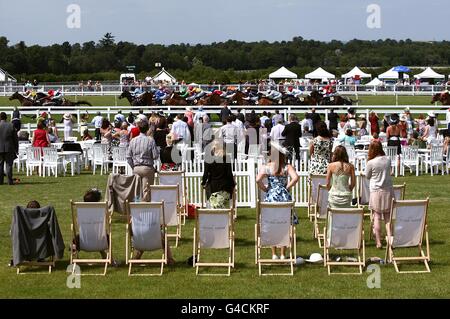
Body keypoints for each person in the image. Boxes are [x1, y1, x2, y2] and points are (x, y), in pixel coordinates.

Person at [256, 142, 299, 260]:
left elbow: (258, 179)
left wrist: (265, 189)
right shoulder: (287, 166)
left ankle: (274, 253)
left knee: (271, 224)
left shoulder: (267, 166)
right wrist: (287, 187)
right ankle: (283, 254)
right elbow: (296, 178)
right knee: (285, 225)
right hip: (284, 197)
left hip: (271, 198)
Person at [365, 141, 394, 249]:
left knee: (376, 216)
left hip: (376, 190)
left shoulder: (371, 162)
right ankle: (390, 239)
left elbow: (367, 176)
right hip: (387, 190)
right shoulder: (387, 160)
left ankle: (378, 242)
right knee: (387, 217)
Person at [126, 120, 159, 202]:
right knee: (146, 192)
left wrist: (133, 167)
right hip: (147, 167)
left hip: (136, 168)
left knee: (136, 192)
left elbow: (128, 157)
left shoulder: (133, 140)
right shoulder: (150, 140)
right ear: (147, 129)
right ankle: (146, 209)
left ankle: (136, 209)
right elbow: (155, 156)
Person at [201, 140, 236, 208]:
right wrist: (233, 184)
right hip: (225, 187)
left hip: (212, 187)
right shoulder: (226, 158)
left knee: (215, 209)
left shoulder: (208, 158)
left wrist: (203, 183)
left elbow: (205, 174)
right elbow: (229, 174)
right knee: (224, 209)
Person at [0, 112, 19, 185]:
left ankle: (0, 181)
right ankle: (9, 181)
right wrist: (16, 149)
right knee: (9, 165)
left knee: (0, 165)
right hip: (9, 148)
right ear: (6, 117)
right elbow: (15, 139)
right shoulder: (11, 125)